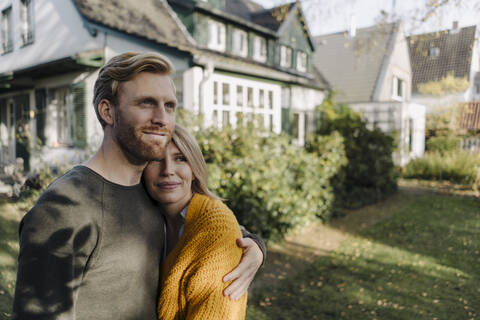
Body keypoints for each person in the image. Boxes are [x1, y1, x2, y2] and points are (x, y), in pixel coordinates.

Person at [12, 52, 265, 319]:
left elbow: (203, 228)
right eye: (147, 103)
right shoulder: (65, 208)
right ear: (107, 111)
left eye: (169, 106)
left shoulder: (149, 189)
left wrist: (255, 246)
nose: (162, 118)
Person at [144, 125, 247, 320]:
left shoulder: (216, 227)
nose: (168, 170)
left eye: (180, 158)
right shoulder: (146, 219)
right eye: (155, 160)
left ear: (194, 168)